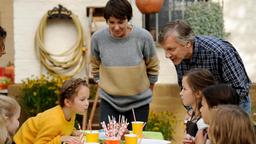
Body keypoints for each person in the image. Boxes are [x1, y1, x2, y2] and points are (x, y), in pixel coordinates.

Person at [90, 0, 159, 129]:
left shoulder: (143, 37)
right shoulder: (98, 39)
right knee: (109, 140)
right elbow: (94, 64)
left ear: (128, 19)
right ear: (107, 21)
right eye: (112, 22)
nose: (116, 27)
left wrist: (149, 89)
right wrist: (100, 81)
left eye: (121, 22)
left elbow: (153, 66)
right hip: (109, 102)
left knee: (134, 140)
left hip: (139, 103)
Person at [158, 20, 251, 113]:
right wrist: (193, 111)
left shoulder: (219, 52)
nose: (167, 55)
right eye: (165, 50)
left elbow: (240, 89)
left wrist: (217, 114)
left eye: (171, 49)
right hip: (205, 108)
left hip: (234, 107)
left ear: (188, 44)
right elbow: (186, 89)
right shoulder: (179, 57)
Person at [14, 78, 90, 144]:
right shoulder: (54, 121)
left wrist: (73, 132)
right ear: (67, 102)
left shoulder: (71, 113)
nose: (87, 103)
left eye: (87, 99)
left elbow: (64, 126)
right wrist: (60, 139)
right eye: (82, 99)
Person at [180, 68, 216, 144]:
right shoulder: (192, 115)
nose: (181, 93)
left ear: (198, 93)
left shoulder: (204, 122)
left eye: (184, 89)